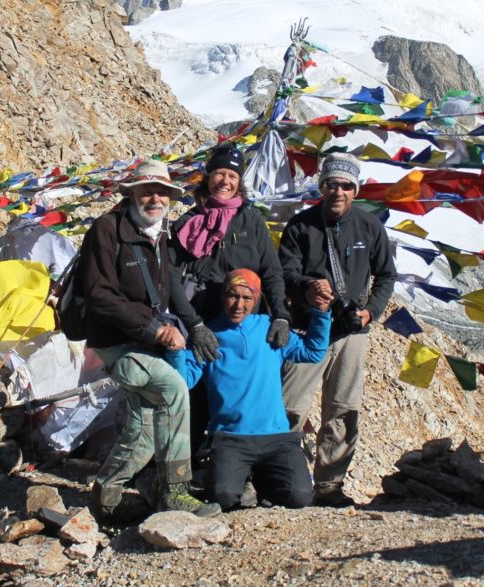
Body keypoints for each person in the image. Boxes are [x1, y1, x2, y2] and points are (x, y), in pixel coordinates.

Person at [80, 158, 221, 520]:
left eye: (162, 192)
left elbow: (170, 288)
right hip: (116, 342)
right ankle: (174, 491)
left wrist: (195, 325)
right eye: (147, 191)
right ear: (133, 194)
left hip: (142, 342)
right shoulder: (106, 230)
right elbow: (100, 296)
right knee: (173, 390)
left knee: (142, 424)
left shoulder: (157, 234)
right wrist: (155, 328)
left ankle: (106, 497)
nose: (155, 199)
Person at [278, 152, 397, 507]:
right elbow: (284, 274)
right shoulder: (299, 226)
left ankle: (330, 485)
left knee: (343, 408)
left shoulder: (370, 227)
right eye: (332, 184)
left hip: (352, 333)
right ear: (322, 186)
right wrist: (308, 288)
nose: (339, 191)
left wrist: (370, 313)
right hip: (305, 329)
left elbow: (386, 276)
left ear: (355, 190)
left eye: (346, 186)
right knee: (290, 406)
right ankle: (283, 478)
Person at [169, 143, 292, 469]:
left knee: (242, 391)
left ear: (240, 182)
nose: (225, 181)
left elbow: (272, 272)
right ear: (208, 178)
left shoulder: (251, 221)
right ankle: (182, 471)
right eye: (220, 173)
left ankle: (243, 469)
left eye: (232, 175)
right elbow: (169, 277)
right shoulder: (190, 221)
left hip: (244, 322)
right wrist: (193, 324)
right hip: (201, 316)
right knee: (193, 395)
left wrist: (280, 315)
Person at [168, 269, 331, 510]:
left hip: (276, 438)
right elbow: (184, 380)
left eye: (247, 298)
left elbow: (313, 351)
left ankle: (262, 481)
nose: (238, 305)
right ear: (223, 296)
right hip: (230, 438)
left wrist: (321, 313)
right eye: (233, 296)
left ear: (256, 300)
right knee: (222, 497)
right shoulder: (208, 336)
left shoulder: (270, 329)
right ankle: (245, 480)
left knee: (299, 496)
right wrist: (176, 351)